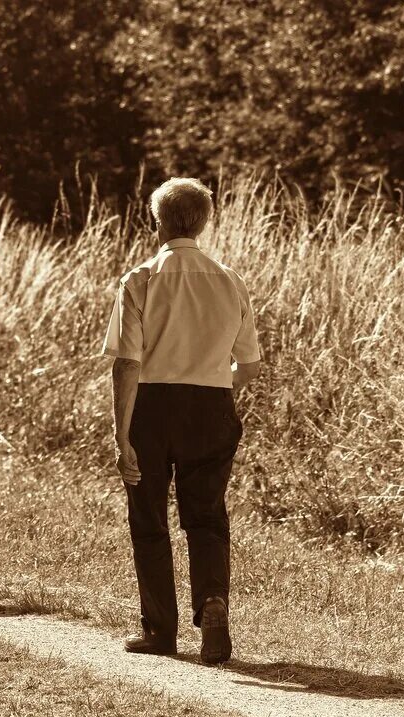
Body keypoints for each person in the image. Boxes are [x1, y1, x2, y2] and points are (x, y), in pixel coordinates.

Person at [102, 177, 261, 664]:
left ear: (157, 221)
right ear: (206, 220)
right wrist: (213, 382)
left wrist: (121, 433)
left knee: (149, 516)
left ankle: (160, 630)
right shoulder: (229, 279)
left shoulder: (142, 278)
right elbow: (250, 365)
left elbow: (127, 363)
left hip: (152, 404)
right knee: (207, 515)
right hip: (211, 405)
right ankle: (212, 602)